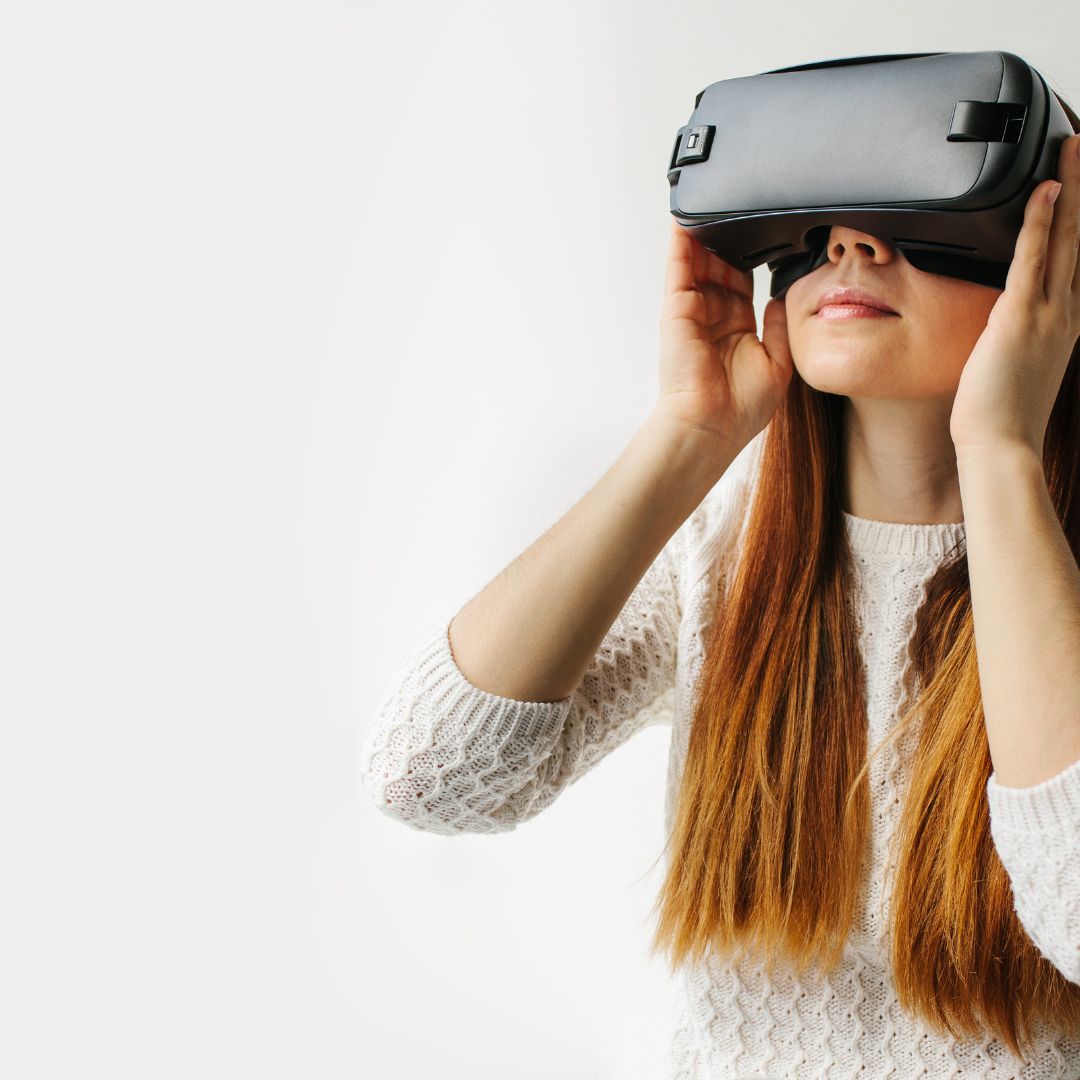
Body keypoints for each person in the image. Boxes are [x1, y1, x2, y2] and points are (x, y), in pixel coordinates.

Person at [359, 106, 1080, 1078]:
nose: (849, 243)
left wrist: (1000, 454)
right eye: (822, 226)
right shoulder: (729, 555)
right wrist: (687, 436)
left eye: (921, 219)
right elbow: (423, 778)